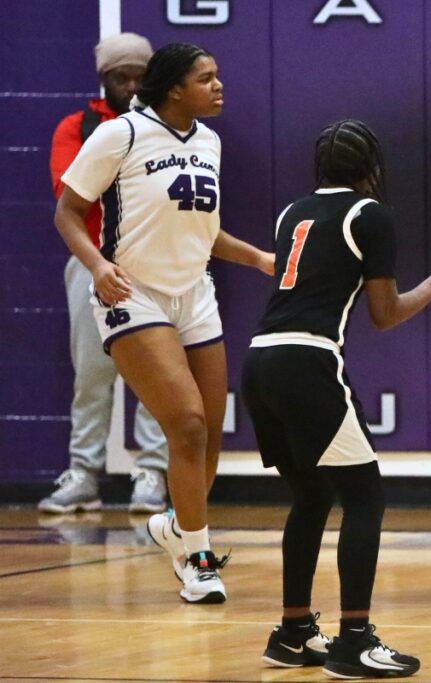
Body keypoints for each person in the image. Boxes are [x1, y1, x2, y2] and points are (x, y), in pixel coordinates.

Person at [243, 119, 431, 679]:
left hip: (259, 358)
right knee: (366, 498)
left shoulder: (290, 213)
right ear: (371, 167)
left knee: (311, 496)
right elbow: (386, 313)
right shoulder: (370, 214)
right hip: (308, 359)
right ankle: (354, 640)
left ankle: (295, 631)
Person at [53, 42, 275, 604]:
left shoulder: (209, 141)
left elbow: (205, 232)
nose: (219, 86)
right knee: (188, 424)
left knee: (210, 440)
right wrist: (98, 266)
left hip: (194, 293)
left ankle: (178, 527)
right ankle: (197, 558)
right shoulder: (120, 135)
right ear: (175, 87)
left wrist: (258, 259)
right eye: (207, 77)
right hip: (133, 293)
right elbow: (68, 211)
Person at [40, 32, 169, 516]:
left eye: (140, 75)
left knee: (155, 375)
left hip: (155, 266)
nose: (132, 84)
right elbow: (71, 191)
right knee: (92, 375)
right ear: (104, 79)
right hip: (92, 261)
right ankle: (84, 474)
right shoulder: (77, 127)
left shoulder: (167, 125)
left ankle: (152, 472)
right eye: (122, 76)